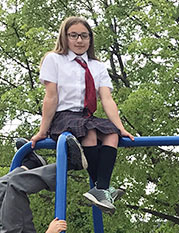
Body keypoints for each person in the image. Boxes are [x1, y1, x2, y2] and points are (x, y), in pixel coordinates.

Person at [31, 16, 134, 214]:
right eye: (74, 36)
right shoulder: (54, 59)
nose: (79, 41)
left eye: (84, 36)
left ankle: (101, 188)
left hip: (86, 116)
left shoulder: (97, 66)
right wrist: (43, 130)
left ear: (90, 38)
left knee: (112, 133)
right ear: (65, 37)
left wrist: (121, 127)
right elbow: (51, 97)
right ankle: (104, 190)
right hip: (64, 116)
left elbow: (107, 99)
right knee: (91, 133)